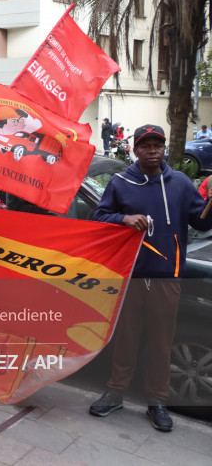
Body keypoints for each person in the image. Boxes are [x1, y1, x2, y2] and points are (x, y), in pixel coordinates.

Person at [89, 124, 212, 432]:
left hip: (166, 277)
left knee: (161, 342)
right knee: (126, 339)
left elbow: (200, 220)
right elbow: (99, 218)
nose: (152, 150)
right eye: (146, 145)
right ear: (135, 150)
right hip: (129, 276)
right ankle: (115, 392)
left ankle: (157, 402)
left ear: (164, 148)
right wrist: (123, 218)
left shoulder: (181, 183)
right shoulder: (120, 183)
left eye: (158, 144)